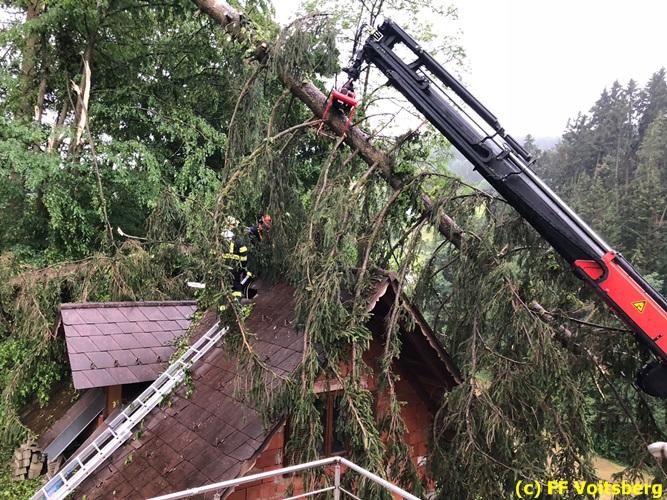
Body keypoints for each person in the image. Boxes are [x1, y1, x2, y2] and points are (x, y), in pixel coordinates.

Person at [221, 216, 256, 300]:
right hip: (235, 266)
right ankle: (236, 302)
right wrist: (244, 266)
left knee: (225, 284)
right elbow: (243, 252)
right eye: (234, 225)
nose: (235, 227)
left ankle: (226, 301)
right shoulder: (237, 238)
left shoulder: (220, 238)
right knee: (236, 285)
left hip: (223, 266)